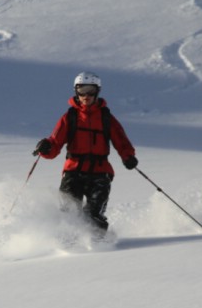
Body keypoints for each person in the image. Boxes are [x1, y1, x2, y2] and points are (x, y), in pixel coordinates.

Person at [34, 71, 138, 234]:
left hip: (100, 172)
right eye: (82, 90)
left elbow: (121, 141)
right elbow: (55, 145)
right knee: (69, 212)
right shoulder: (70, 117)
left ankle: (98, 248)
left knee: (93, 214)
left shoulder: (106, 118)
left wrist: (128, 157)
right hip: (74, 171)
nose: (86, 95)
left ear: (97, 91)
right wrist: (46, 148)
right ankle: (67, 245)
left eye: (90, 90)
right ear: (76, 91)